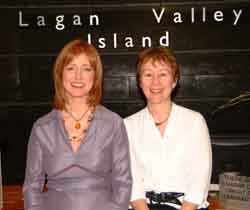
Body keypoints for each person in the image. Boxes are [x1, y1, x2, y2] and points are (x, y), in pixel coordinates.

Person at [23, 39, 132, 210]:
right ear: (60, 73)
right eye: (71, 68)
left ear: (95, 76)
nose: (78, 76)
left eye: (86, 69)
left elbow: (123, 183)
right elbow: (31, 187)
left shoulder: (113, 124)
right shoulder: (42, 127)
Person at [124, 47, 212, 210]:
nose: (155, 82)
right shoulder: (128, 125)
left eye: (163, 74)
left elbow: (199, 179)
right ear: (139, 81)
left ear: (174, 81)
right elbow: (132, 181)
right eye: (148, 74)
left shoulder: (194, 121)